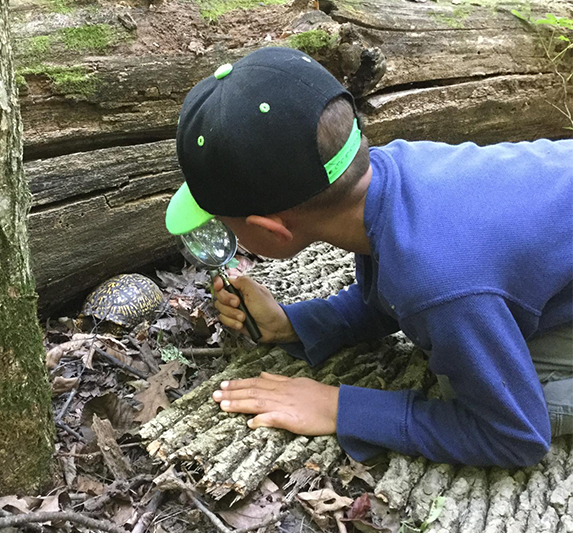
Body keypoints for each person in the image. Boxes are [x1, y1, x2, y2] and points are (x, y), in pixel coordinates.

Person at [164, 46, 573, 467]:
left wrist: (339, 407)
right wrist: (293, 325)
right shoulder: (395, 175)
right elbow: (397, 294)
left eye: (224, 221)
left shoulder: (441, 281)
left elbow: (513, 435)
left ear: (272, 229)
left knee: (465, 389)